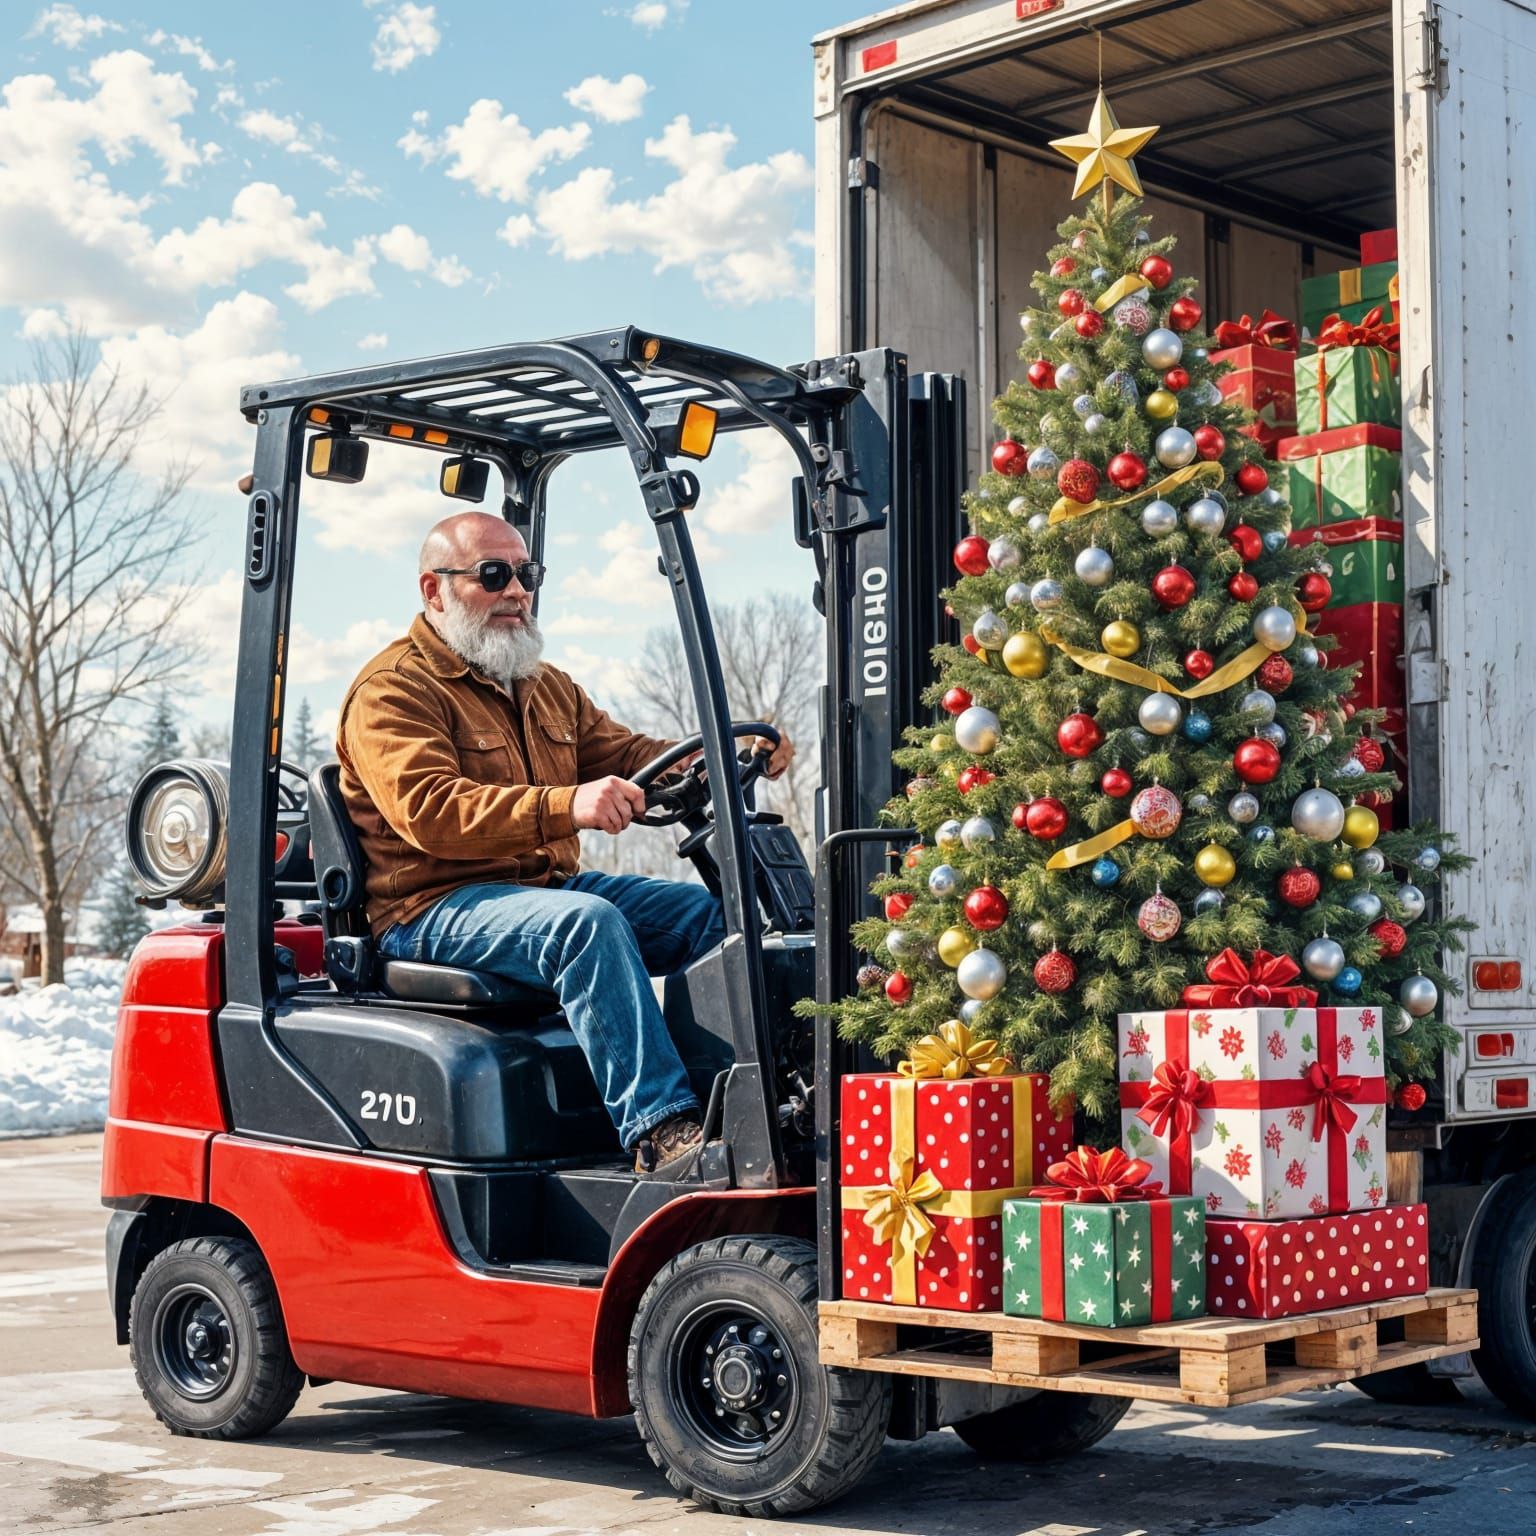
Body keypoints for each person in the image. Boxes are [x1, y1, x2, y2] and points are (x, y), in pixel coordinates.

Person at [335, 511, 794, 1175]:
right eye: (493, 575)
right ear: (433, 590)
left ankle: (742, 1104)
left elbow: (628, 752)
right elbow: (430, 811)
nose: (517, 590)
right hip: (431, 910)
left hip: (535, 892)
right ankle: (663, 1131)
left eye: (527, 574)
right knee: (584, 926)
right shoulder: (392, 692)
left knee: (716, 916)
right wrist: (565, 805)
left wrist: (727, 753)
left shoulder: (542, 685)